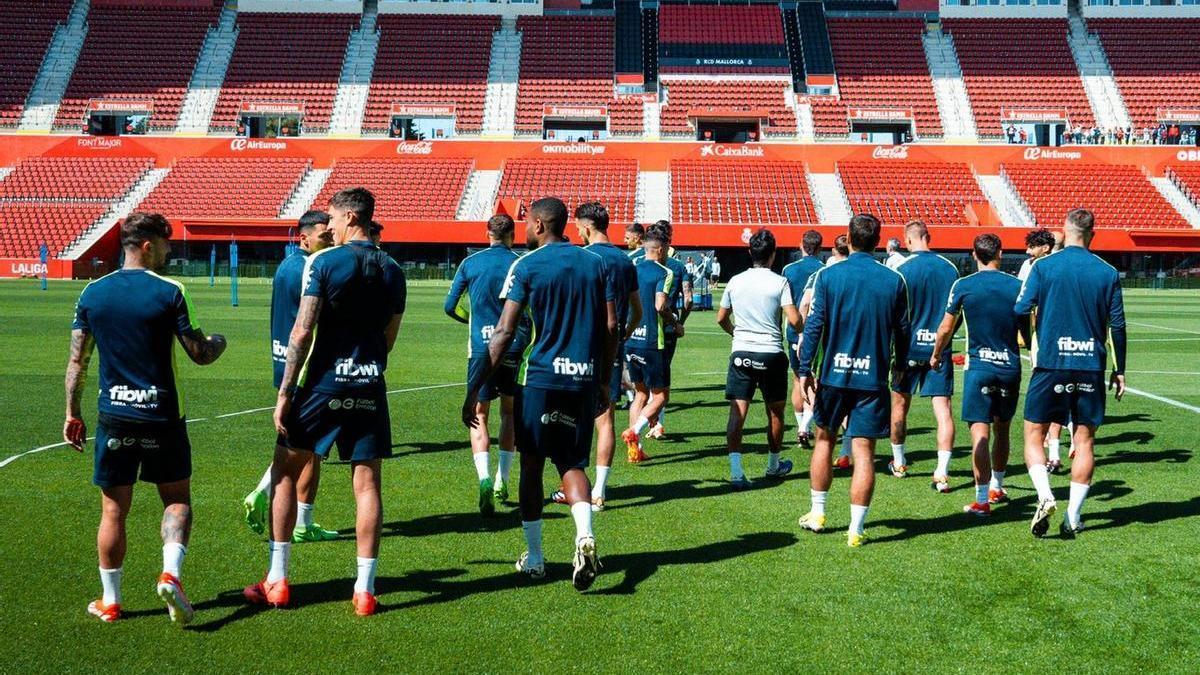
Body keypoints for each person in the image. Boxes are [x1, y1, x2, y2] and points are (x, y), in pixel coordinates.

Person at [247, 187, 406, 617]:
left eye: (333, 218)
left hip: (321, 386)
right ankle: (364, 590)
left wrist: (285, 394)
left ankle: (277, 581)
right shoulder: (394, 270)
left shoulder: (323, 263)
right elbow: (389, 339)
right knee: (367, 484)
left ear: (351, 216)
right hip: (370, 385)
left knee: (284, 472)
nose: (329, 226)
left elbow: (302, 331)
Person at [64, 212, 228, 624]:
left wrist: (72, 412)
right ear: (148, 245)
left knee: (113, 510)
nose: (170, 252)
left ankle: (110, 600)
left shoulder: (92, 293)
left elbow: (77, 362)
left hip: (114, 416)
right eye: (167, 244)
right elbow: (200, 354)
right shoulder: (171, 291)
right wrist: (219, 341)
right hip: (162, 417)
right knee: (176, 499)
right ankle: (171, 573)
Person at [462, 197, 615, 590]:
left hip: (541, 378)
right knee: (571, 463)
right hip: (582, 379)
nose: (525, 230)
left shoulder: (526, 265)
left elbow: (504, 332)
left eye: (528, 223)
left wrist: (477, 385)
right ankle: (584, 536)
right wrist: (601, 379)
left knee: (532, 463)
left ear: (541, 225)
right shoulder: (595, 263)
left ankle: (535, 558)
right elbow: (610, 327)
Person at [796, 214, 910, 547]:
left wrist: (804, 368)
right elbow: (903, 331)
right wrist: (900, 365)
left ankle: (818, 514)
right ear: (878, 240)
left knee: (824, 440)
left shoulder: (829, 276)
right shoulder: (893, 279)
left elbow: (814, 325)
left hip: (834, 375)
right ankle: (856, 530)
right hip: (872, 378)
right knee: (863, 451)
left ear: (848, 236)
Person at [1015, 208, 1126, 538]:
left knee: (1033, 434)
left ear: (1064, 231)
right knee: (1085, 441)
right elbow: (1117, 325)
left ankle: (1046, 495)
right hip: (1091, 366)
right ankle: (1073, 517)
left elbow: (1020, 308)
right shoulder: (1107, 272)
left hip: (1051, 364)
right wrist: (1120, 370)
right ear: (1093, 233)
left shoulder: (1043, 266)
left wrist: (1027, 338)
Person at [244, 210, 337, 543]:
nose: (332, 240)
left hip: (286, 363)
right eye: (326, 236)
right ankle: (272, 501)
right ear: (304, 238)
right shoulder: (307, 270)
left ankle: (301, 519)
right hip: (305, 369)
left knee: (303, 445)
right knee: (307, 449)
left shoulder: (288, 265)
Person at [929, 234, 1029, 516]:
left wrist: (937, 354)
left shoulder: (963, 285)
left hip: (980, 368)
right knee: (1003, 430)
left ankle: (982, 499)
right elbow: (1028, 327)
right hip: (1010, 366)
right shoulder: (1017, 286)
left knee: (980, 434)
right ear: (1000, 253)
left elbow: (946, 328)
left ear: (974, 255)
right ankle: (997, 485)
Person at [444, 214, 528, 515]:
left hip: (480, 347)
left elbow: (449, 306)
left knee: (479, 413)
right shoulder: (520, 263)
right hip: (514, 345)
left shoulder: (470, 263)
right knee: (509, 412)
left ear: (487, 233)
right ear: (513, 235)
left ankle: (482, 477)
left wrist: (471, 320)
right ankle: (501, 480)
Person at [562, 201, 640, 511]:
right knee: (605, 418)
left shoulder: (582, 257)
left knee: (571, 416)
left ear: (586, 226)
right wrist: (623, 334)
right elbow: (638, 310)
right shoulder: (625, 260)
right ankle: (599, 490)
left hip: (579, 345)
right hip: (612, 346)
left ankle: (571, 484)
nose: (576, 232)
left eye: (578, 227)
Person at [717, 228, 801, 490]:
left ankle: (736, 471)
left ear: (749, 252)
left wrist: (737, 334)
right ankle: (773, 465)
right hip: (771, 353)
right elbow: (795, 320)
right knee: (775, 412)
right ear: (773, 254)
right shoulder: (780, 282)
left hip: (742, 352)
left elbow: (721, 318)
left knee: (738, 412)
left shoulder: (735, 281)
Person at [889, 221, 959, 491]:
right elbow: (956, 313)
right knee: (943, 412)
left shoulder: (901, 269)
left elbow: (895, 313)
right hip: (938, 349)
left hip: (907, 349)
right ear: (928, 237)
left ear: (907, 240)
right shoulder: (950, 268)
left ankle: (899, 463)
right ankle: (941, 472)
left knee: (899, 407)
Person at [622, 228, 682, 463]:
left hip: (632, 339)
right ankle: (634, 431)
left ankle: (634, 451)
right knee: (659, 397)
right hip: (651, 342)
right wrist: (674, 322)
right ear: (661, 249)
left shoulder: (632, 270)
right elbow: (660, 306)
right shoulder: (664, 272)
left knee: (639, 394)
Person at [1018, 228, 1071, 468]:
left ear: (1046, 248)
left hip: (1047, 334)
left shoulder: (1042, 267)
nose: (1028, 251)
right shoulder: (1031, 264)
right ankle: (1056, 449)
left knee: (1050, 390)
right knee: (1058, 390)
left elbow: (1023, 303)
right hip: (1048, 332)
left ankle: (1053, 449)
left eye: (1033, 246)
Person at [644, 220, 691, 440]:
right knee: (661, 383)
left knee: (641, 387)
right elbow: (688, 299)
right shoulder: (676, 267)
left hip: (639, 327)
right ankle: (657, 424)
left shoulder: (637, 262)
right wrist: (680, 321)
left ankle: (645, 424)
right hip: (665, 329)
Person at [782, 229, 825, 448]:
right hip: (816, 333)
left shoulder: (789, 269)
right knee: (814, 380)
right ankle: (805, 427)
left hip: (793, 331)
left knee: (798, 378)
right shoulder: (824, 270)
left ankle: (801, 425)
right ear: (819, 248)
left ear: (801, 245)